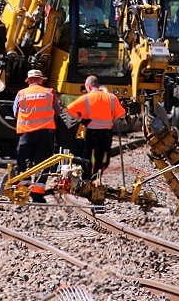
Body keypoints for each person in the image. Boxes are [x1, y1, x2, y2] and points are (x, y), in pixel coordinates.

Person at [12, 68, 63, 202]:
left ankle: (23, 191)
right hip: (45, 134)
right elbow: (58, 111)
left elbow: (15, 113)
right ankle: (37, 194)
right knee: (43, 164)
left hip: (27, 133)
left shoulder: (21, 93)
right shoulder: (50, 93)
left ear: (28, 81)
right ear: (41, 80)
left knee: (23, 163)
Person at [64, 75, 126, 182]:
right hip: (106, 133)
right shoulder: (111, 98)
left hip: (91, 132)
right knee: (103, 156)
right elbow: (122, 115)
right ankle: (97, 176)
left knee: (88, 156)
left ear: (88, 86)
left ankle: (87, 178)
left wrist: (81, 120)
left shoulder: (86, 98)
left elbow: (69, 109)